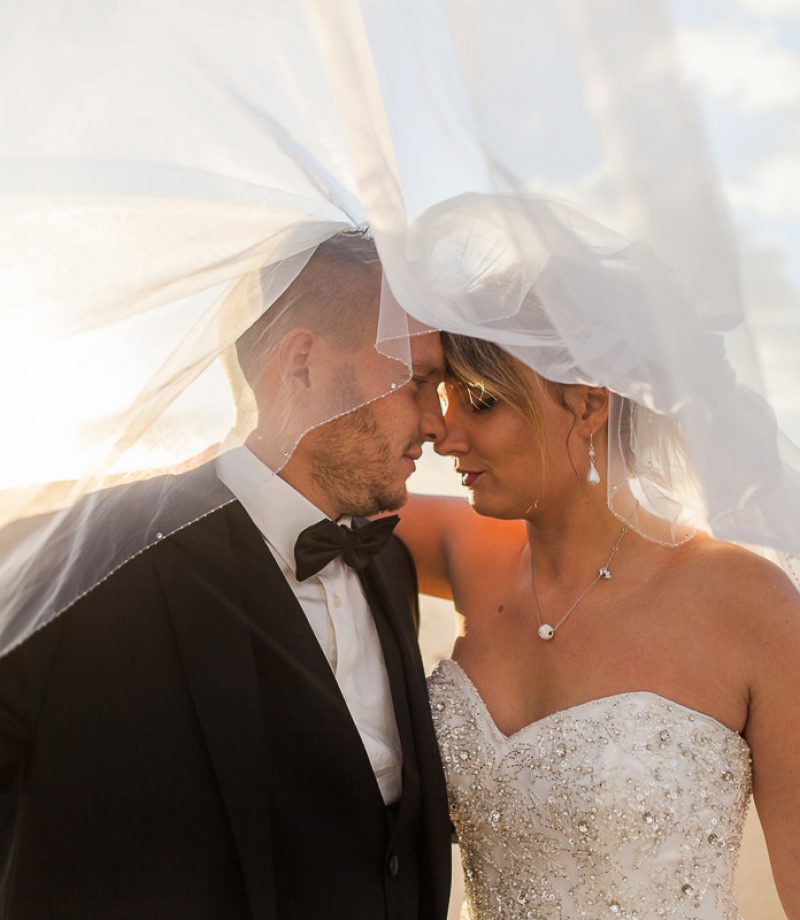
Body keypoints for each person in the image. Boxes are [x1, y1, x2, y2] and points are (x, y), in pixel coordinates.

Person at [0, 233, 452, 920]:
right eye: (416, 381)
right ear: (301, 364)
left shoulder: (390, 568)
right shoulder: (88, 556)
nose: (436, 424)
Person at [395, 333, 800, 919]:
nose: (446, 436)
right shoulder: (466, 549)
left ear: (589, 403)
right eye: (444, 399)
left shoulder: (748, 601)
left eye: (482, 401)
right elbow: (298, 492)